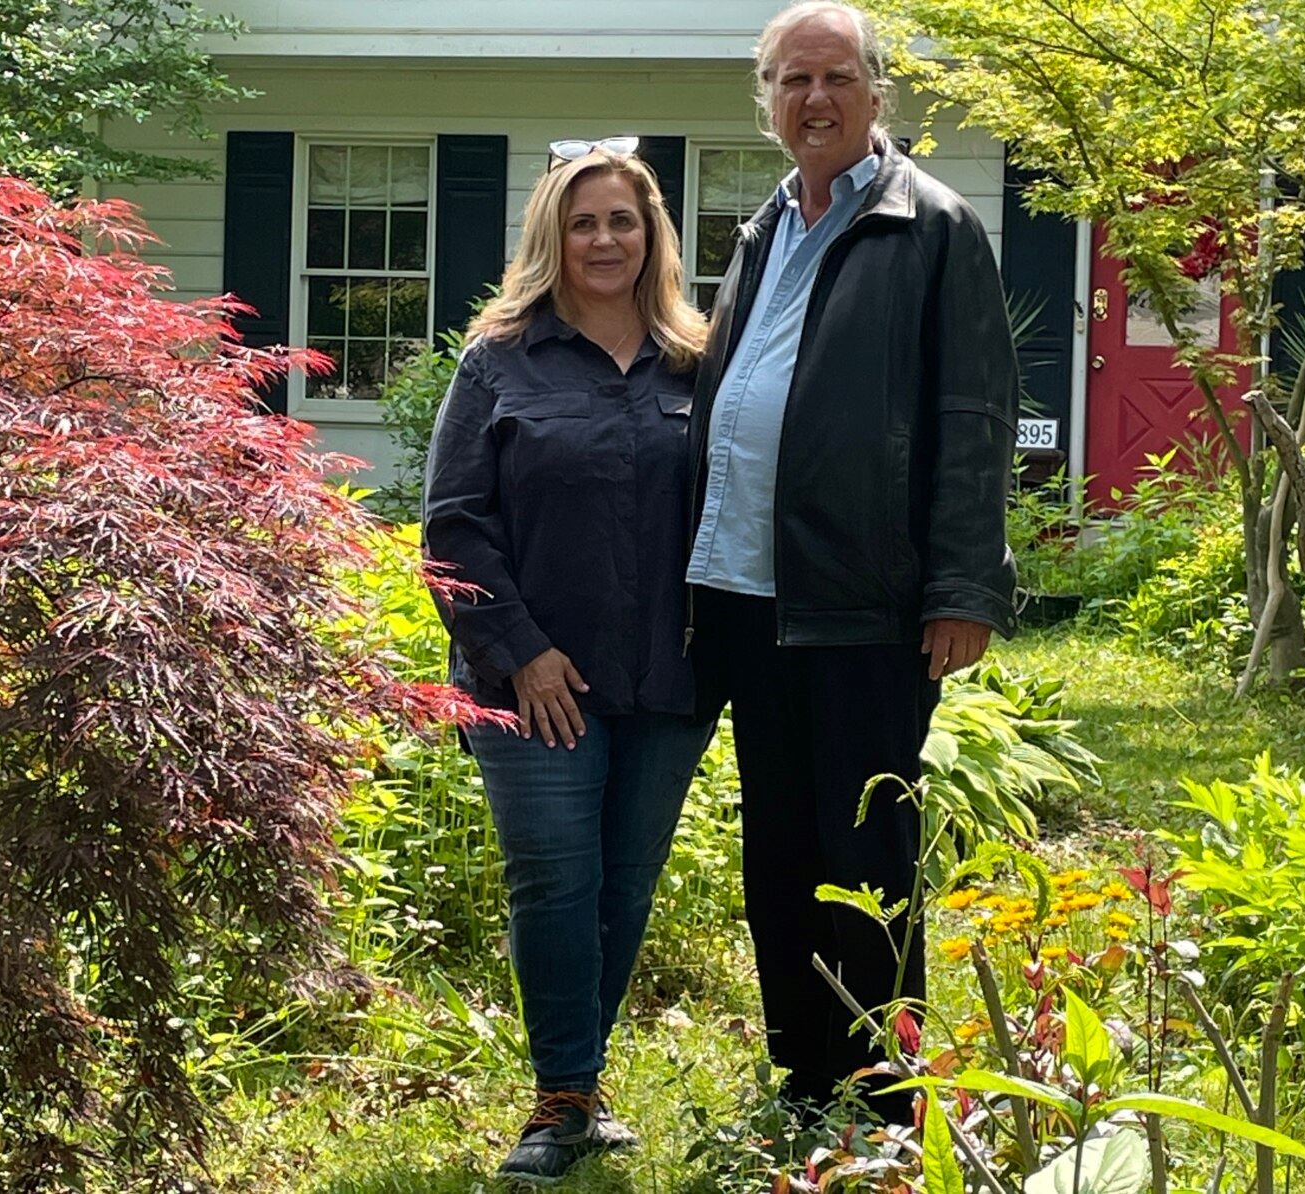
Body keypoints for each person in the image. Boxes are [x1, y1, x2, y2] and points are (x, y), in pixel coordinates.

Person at [684, 0, 1019, 1124]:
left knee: (867, 850)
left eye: (835, 78)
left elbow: (974, 414)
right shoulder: (761, 229)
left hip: (863, 601)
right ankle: (805, 1073)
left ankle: (887, 1093)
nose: (813, 100)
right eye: (790, 80)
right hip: (744, 593)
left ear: (878, 93)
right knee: (777, 844)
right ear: (765, 99)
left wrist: (964, 587)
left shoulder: (933, 229)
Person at [421, 138, 713, 1184]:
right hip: (532, 682)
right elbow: (452, 525)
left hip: (667, 680)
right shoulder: (500, 359)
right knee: (552, 883)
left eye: (622, 221)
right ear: (553, 235)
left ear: (651, 237)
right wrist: (524, 652)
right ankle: (559, 1099)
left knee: (621, 889)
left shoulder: (696, 360)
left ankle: (582, 1087)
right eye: (583, 222)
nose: (603, 239)